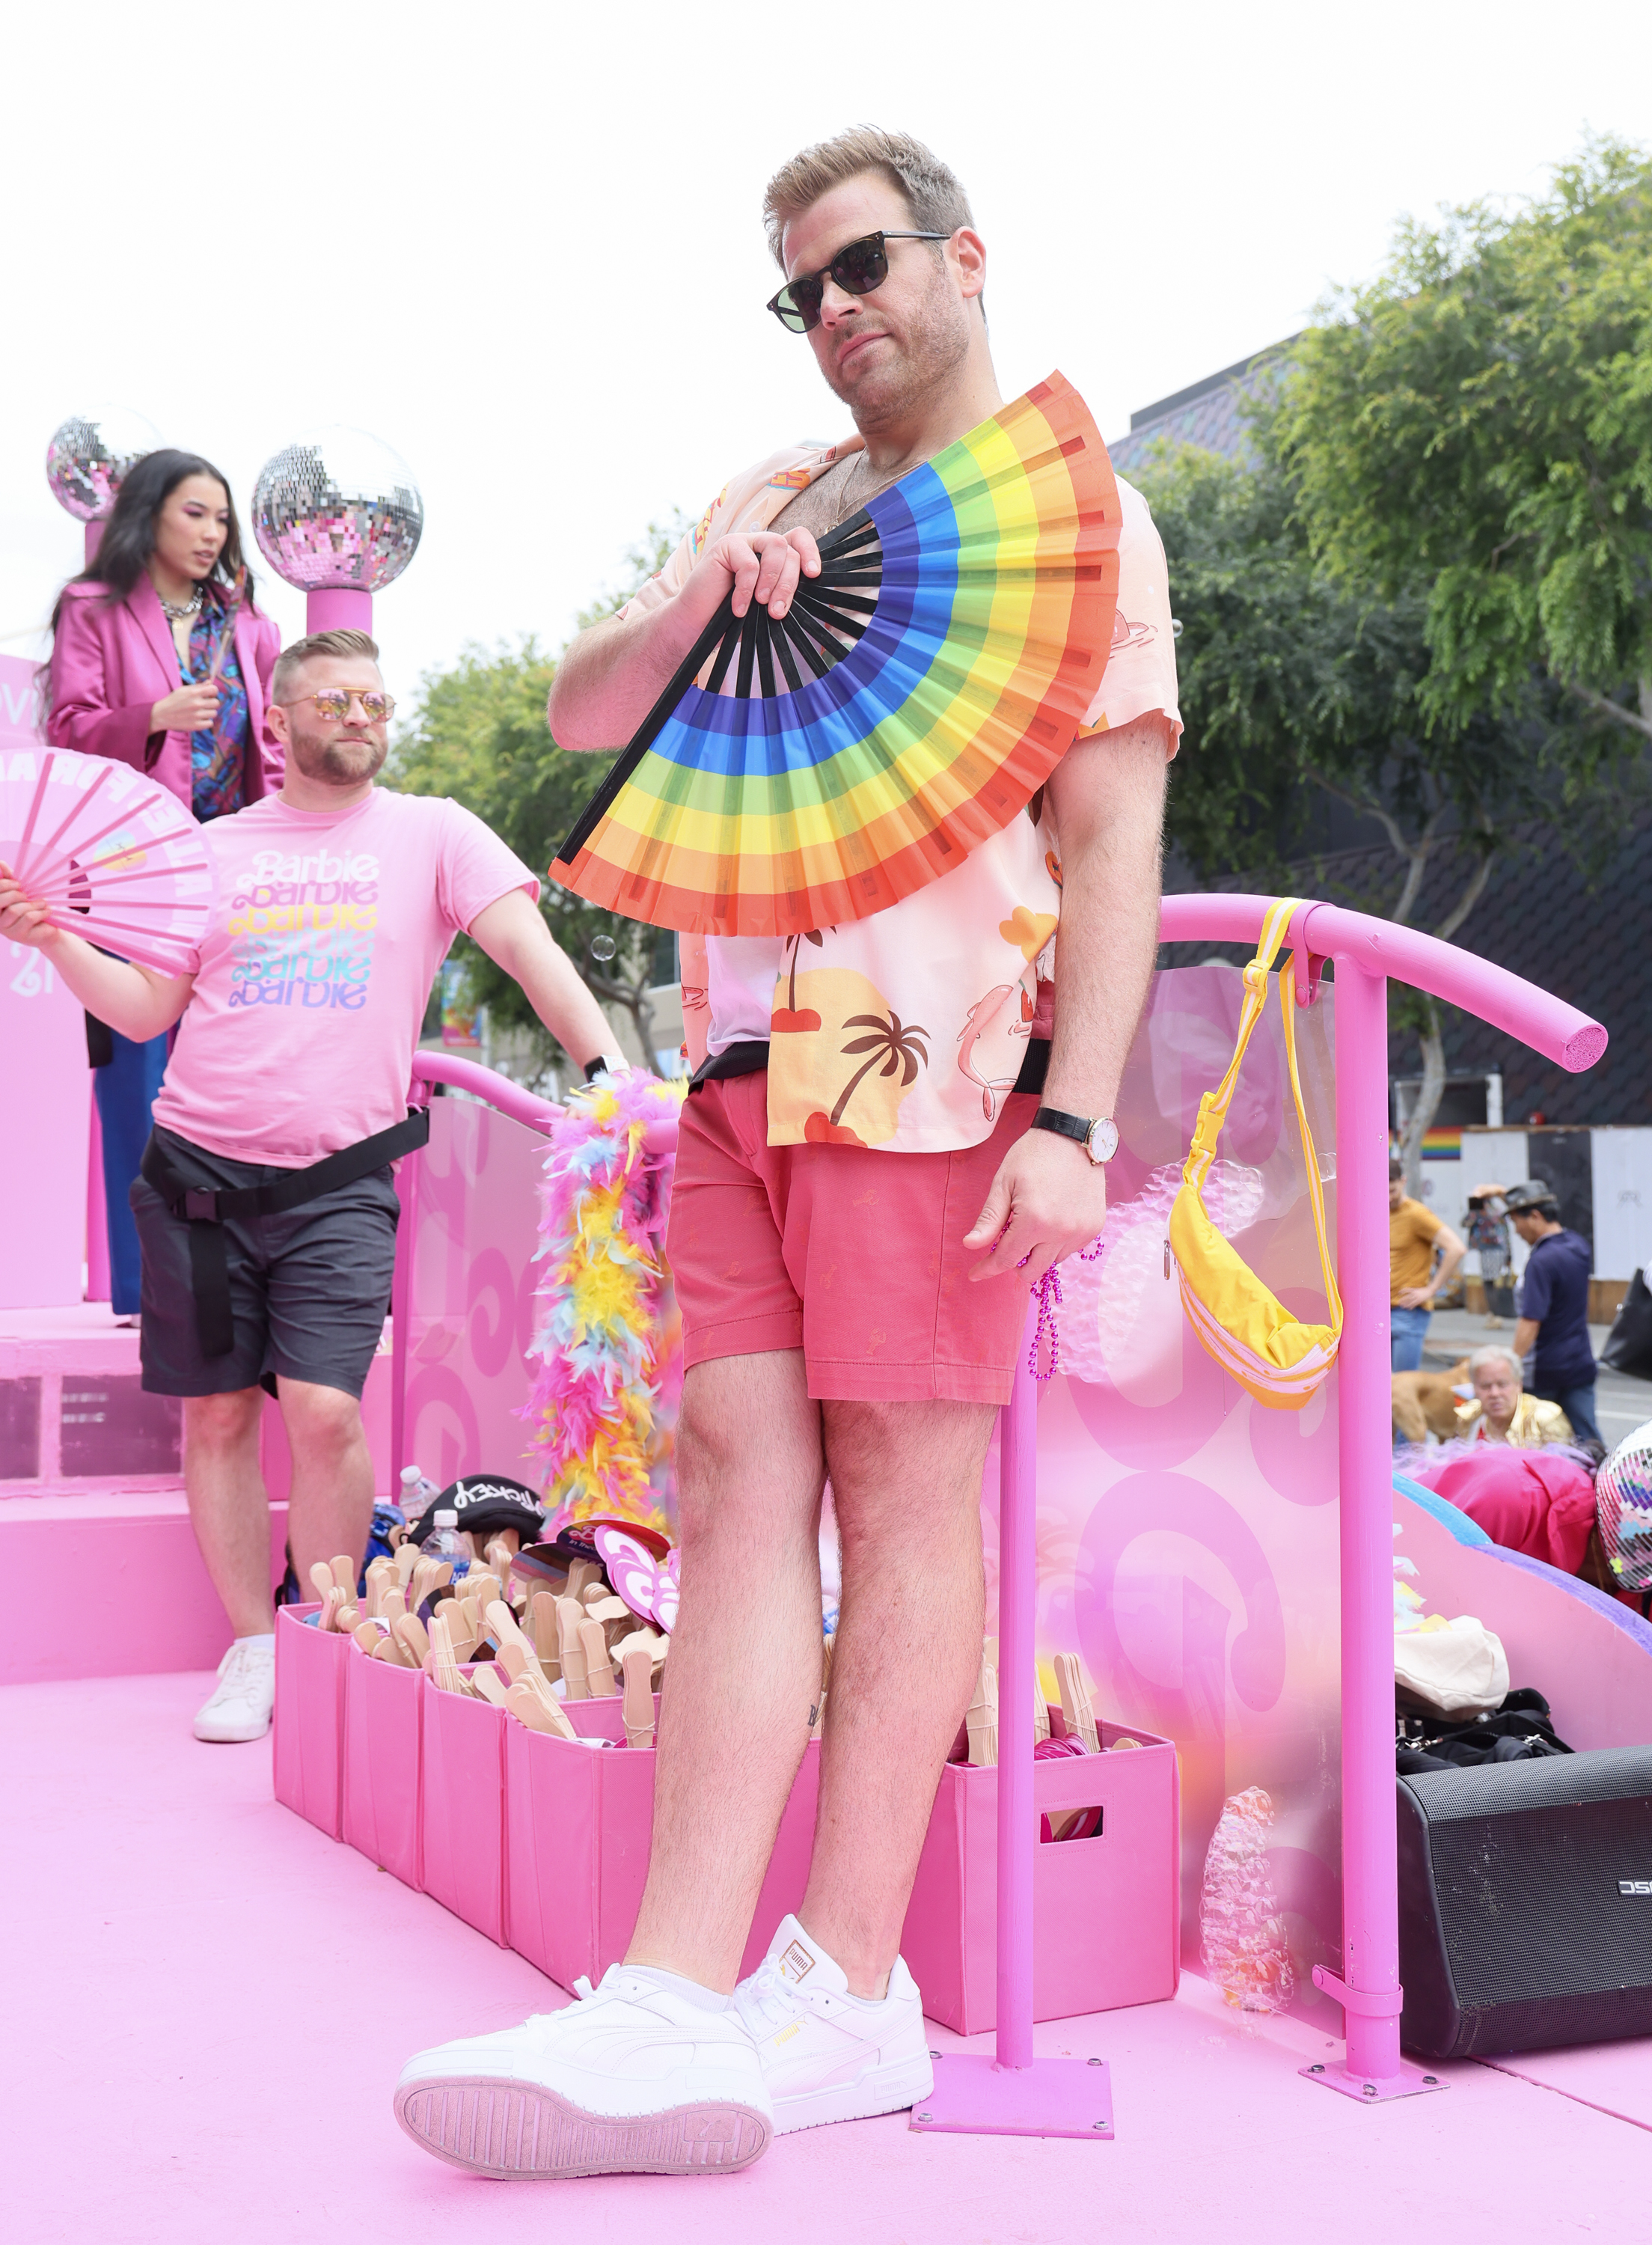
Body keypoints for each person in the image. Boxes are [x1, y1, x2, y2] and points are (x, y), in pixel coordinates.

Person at [394, 127, 1177, 2179]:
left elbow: (1110, 847)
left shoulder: (1074, 519)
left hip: (929, 1045)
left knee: (900, 1488)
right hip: (732, 1048)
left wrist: (1078, 1120)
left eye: (859, 268)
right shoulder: (769, 492)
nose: (834, 314)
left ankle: (841, 1986)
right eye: (799, 291)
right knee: (735, 1480)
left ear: (959, 256)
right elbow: (583, 708)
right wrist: (685, 610)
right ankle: (669, 1986)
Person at [0, 629, 618, 1744]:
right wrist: (53, 938)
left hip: (339, 1181)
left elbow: (532, 954)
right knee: (220, 1417)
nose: (362, 719)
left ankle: (324, 1635)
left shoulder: (431, 833)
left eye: (378, 703)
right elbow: (145, 1012)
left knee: (326, 1413)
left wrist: (607, 1078)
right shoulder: (210, 849)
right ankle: (254, 1645)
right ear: (276, 724)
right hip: (195, 1170)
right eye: (336, 701)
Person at [44, 450, 283, 1322]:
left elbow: (276, 747)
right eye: (196, 513)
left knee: (223, 1076)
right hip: (126, 878)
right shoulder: (92, 610)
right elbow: (65, 731)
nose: (212, 532)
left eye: (222, 518)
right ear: (151, 514)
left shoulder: (249, 622)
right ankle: (152, 1296)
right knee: (133, 1082)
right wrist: (154, 717)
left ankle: (231, 1282)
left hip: (231, 873)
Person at [1505, 1180, 1603, 1445]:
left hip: (1544, 1369)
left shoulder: (1541, 1261)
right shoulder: (1578, 1245)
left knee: (1538, 1441)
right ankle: (1603, 1485)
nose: (1517, 1230)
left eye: (1517, 1222)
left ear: (1535, 1216)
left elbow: (1531, 1320)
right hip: (1580, 1361)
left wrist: (1511, 1365)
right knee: (1588, 1441)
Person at [1389, 1157, 1466, 1370]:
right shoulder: (1376, 1212)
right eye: (1383, 1191)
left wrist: (1431, 1289)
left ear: (1403, 1182)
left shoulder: (1416, 1214)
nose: (1387, 1198)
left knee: (1401, 1388)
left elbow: (1456, 1248)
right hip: (1379, 1310)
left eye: (1392, 1191)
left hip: (1407, 1310)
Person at [1455, 1344, 1573, 1447]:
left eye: (1502, 1385)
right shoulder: (1469, 1418)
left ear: (1519, 1385)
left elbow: (1564, 1469)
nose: (1495, 1394)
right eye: (1486, 1386)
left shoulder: (1545, 1419)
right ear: (1474, 1388)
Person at [1463, 1185, 1511, 1329]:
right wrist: (1510, 1256)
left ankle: (1495, 1315)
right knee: (1492, 1282)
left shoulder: (1478, 1213)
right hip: (1501, 1250)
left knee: (1488, 1284)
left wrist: (1472, 1210)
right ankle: (1495, 1315)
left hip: (1488, 1250)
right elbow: (1506, 1234)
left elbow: (1464, 1222)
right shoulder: (1498, 1212)